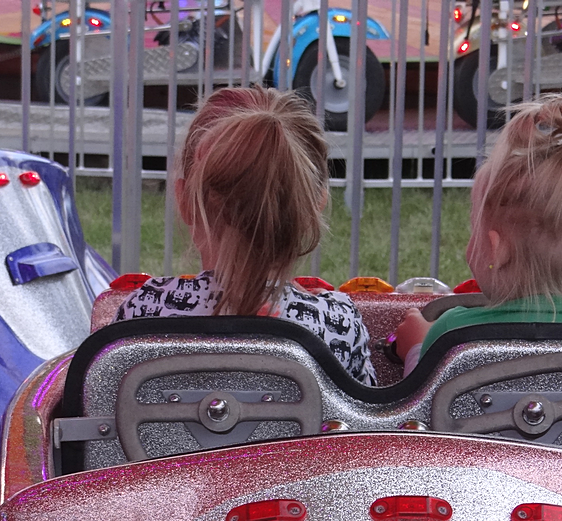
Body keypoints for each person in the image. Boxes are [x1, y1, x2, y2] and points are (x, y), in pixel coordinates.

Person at [116, 86, 377, 387]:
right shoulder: (338, 324)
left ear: (184, 200)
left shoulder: (143, 314)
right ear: (313, 208)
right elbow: (363, 431)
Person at [394, 79, 562, 374]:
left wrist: (416, 348)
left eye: (474, 228)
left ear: (496, 248)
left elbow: (424, 409)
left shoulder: (453, 333)